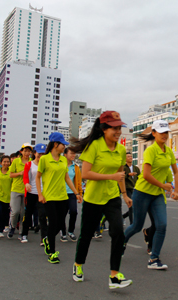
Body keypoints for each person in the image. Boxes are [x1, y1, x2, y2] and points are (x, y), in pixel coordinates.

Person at [71, 111, 133, 289]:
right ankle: (78, 265)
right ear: (104, 128)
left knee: (118, 232)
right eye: (114, 128)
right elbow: (85, 174)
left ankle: (114, 276)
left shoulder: (121, 149)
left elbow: (120, 175)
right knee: (87, 235)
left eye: (119, 127)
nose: (118, 131)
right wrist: (111, 176)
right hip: (93, 198)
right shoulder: (94, 146)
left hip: (112, 197)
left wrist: (124, 195)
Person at [123, 120, 178, 270]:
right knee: (136, 226)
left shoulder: (168, 152)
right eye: (161, 132)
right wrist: (163, 185)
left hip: (157, 195)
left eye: (166, 132)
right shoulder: (150, 150)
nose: (164, 135)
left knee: (161, 225)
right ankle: (121, 242)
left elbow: (175, 171)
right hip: (142, 192)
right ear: (154, 133)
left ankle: (154, 258)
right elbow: (146, 175)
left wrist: (176, 190)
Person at [36, 133, 82, 264]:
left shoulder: (62, 160)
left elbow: (67, 178)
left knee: (60, 222)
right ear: (56, 144)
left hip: (63, 196)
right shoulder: (44, 159)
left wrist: (77, 193)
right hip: (49, 197)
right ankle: (52, 253)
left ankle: (46, 239)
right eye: (63, 145)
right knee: (53, 223)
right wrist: (40, 194)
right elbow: (38, 177)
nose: (64, 147)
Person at [22, 143, 48, 244]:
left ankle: (44, 237)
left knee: (42, 215)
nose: (40, 156)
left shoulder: (46, 165)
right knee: (28, 214)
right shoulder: (29, 164)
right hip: (31, 192)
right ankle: (24, 234)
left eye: (43, 154)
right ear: (34, 153)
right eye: (39, 153)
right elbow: (25, 177)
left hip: (42, 194)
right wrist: (27, 184)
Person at [9, 143, 33, 239]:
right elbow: (10, 175)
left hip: (28, 190)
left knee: (23, 212)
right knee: (15, 211)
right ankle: (12, 226)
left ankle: (22, 231)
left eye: (29, 151)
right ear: (21, 151)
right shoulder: (16, 162)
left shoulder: (32, 162)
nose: (27, 153)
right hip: (16, 189)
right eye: (25, 151)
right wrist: (20, 173)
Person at [60, 147, 83, 242]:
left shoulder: (76, 167)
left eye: (74, 154)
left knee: (74, 211)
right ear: (65, 154)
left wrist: (79, 193)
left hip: (72, 193)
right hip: (61, 193)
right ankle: (63, 232)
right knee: (62, 214)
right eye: (71, 153)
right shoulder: (61, 165)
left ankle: (70, 231)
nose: (73, 155)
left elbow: (78, 181)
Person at [123, 152, 140, 225]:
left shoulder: (136, 168)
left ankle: (122, 216)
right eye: (128, 156)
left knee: (135, 206)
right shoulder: (123, 167)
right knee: (131, 206)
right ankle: (132, 223)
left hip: (135, 189)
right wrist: (128, 175)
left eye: (131, 156)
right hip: (127, 189)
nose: (130, 157)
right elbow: (121, 177)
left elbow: (140, 178)